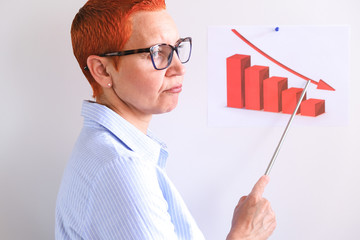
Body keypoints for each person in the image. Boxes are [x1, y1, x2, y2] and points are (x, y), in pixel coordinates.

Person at [55, 0, 276, 239]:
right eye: (157, 52)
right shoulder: (121, 167)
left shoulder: (105, 150)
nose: (179, 68)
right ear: (102, 70)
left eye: (177, 48)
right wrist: (244, 235)